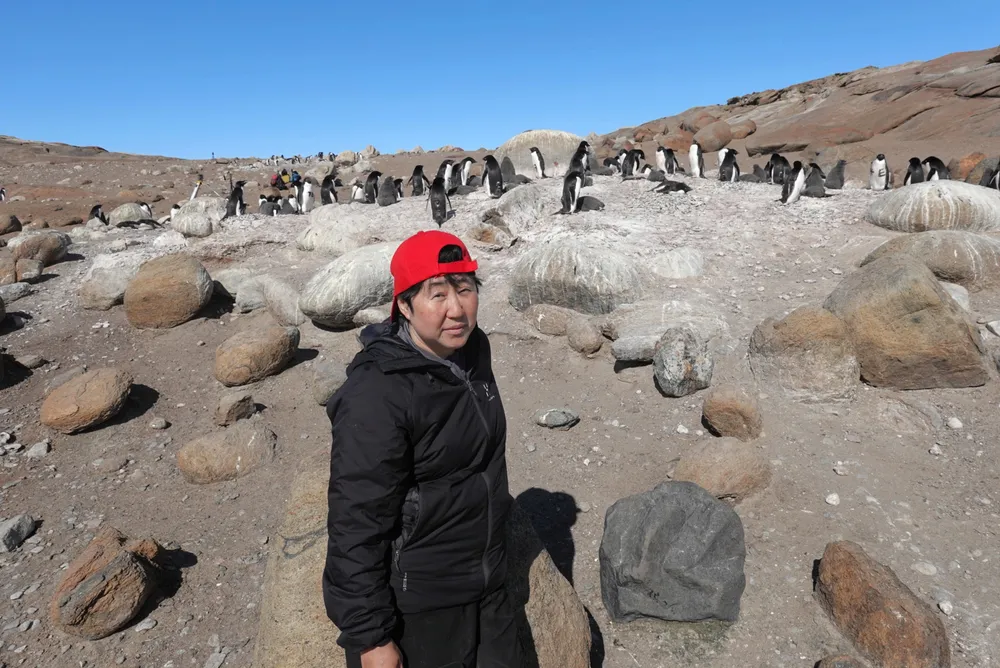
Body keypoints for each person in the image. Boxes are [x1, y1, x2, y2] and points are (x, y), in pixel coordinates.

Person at [323, 230, 523, 668]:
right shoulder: (378, 393)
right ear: (405, 306)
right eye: (437, 295)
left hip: (488, 583)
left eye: (465, 289)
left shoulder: (473, 350)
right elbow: (355, 520)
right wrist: (370, 638)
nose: (457, 309)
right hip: (422, 600)